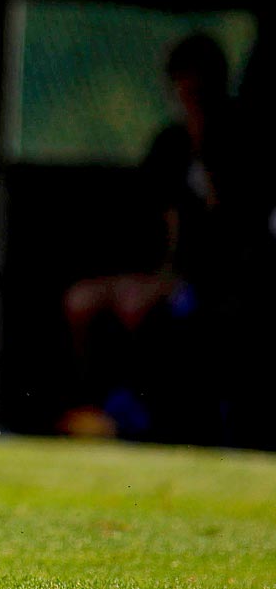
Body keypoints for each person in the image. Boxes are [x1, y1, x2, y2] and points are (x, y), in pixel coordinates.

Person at [59, 34, 239, 439]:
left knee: (143, 308)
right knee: (82, 301)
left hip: (220, 280)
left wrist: (205, 141)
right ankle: (94, 405)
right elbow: (157, 220)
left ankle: (139, 412)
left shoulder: (238, 141)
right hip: (163, 273)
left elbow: (228, 220)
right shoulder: (169, 145)